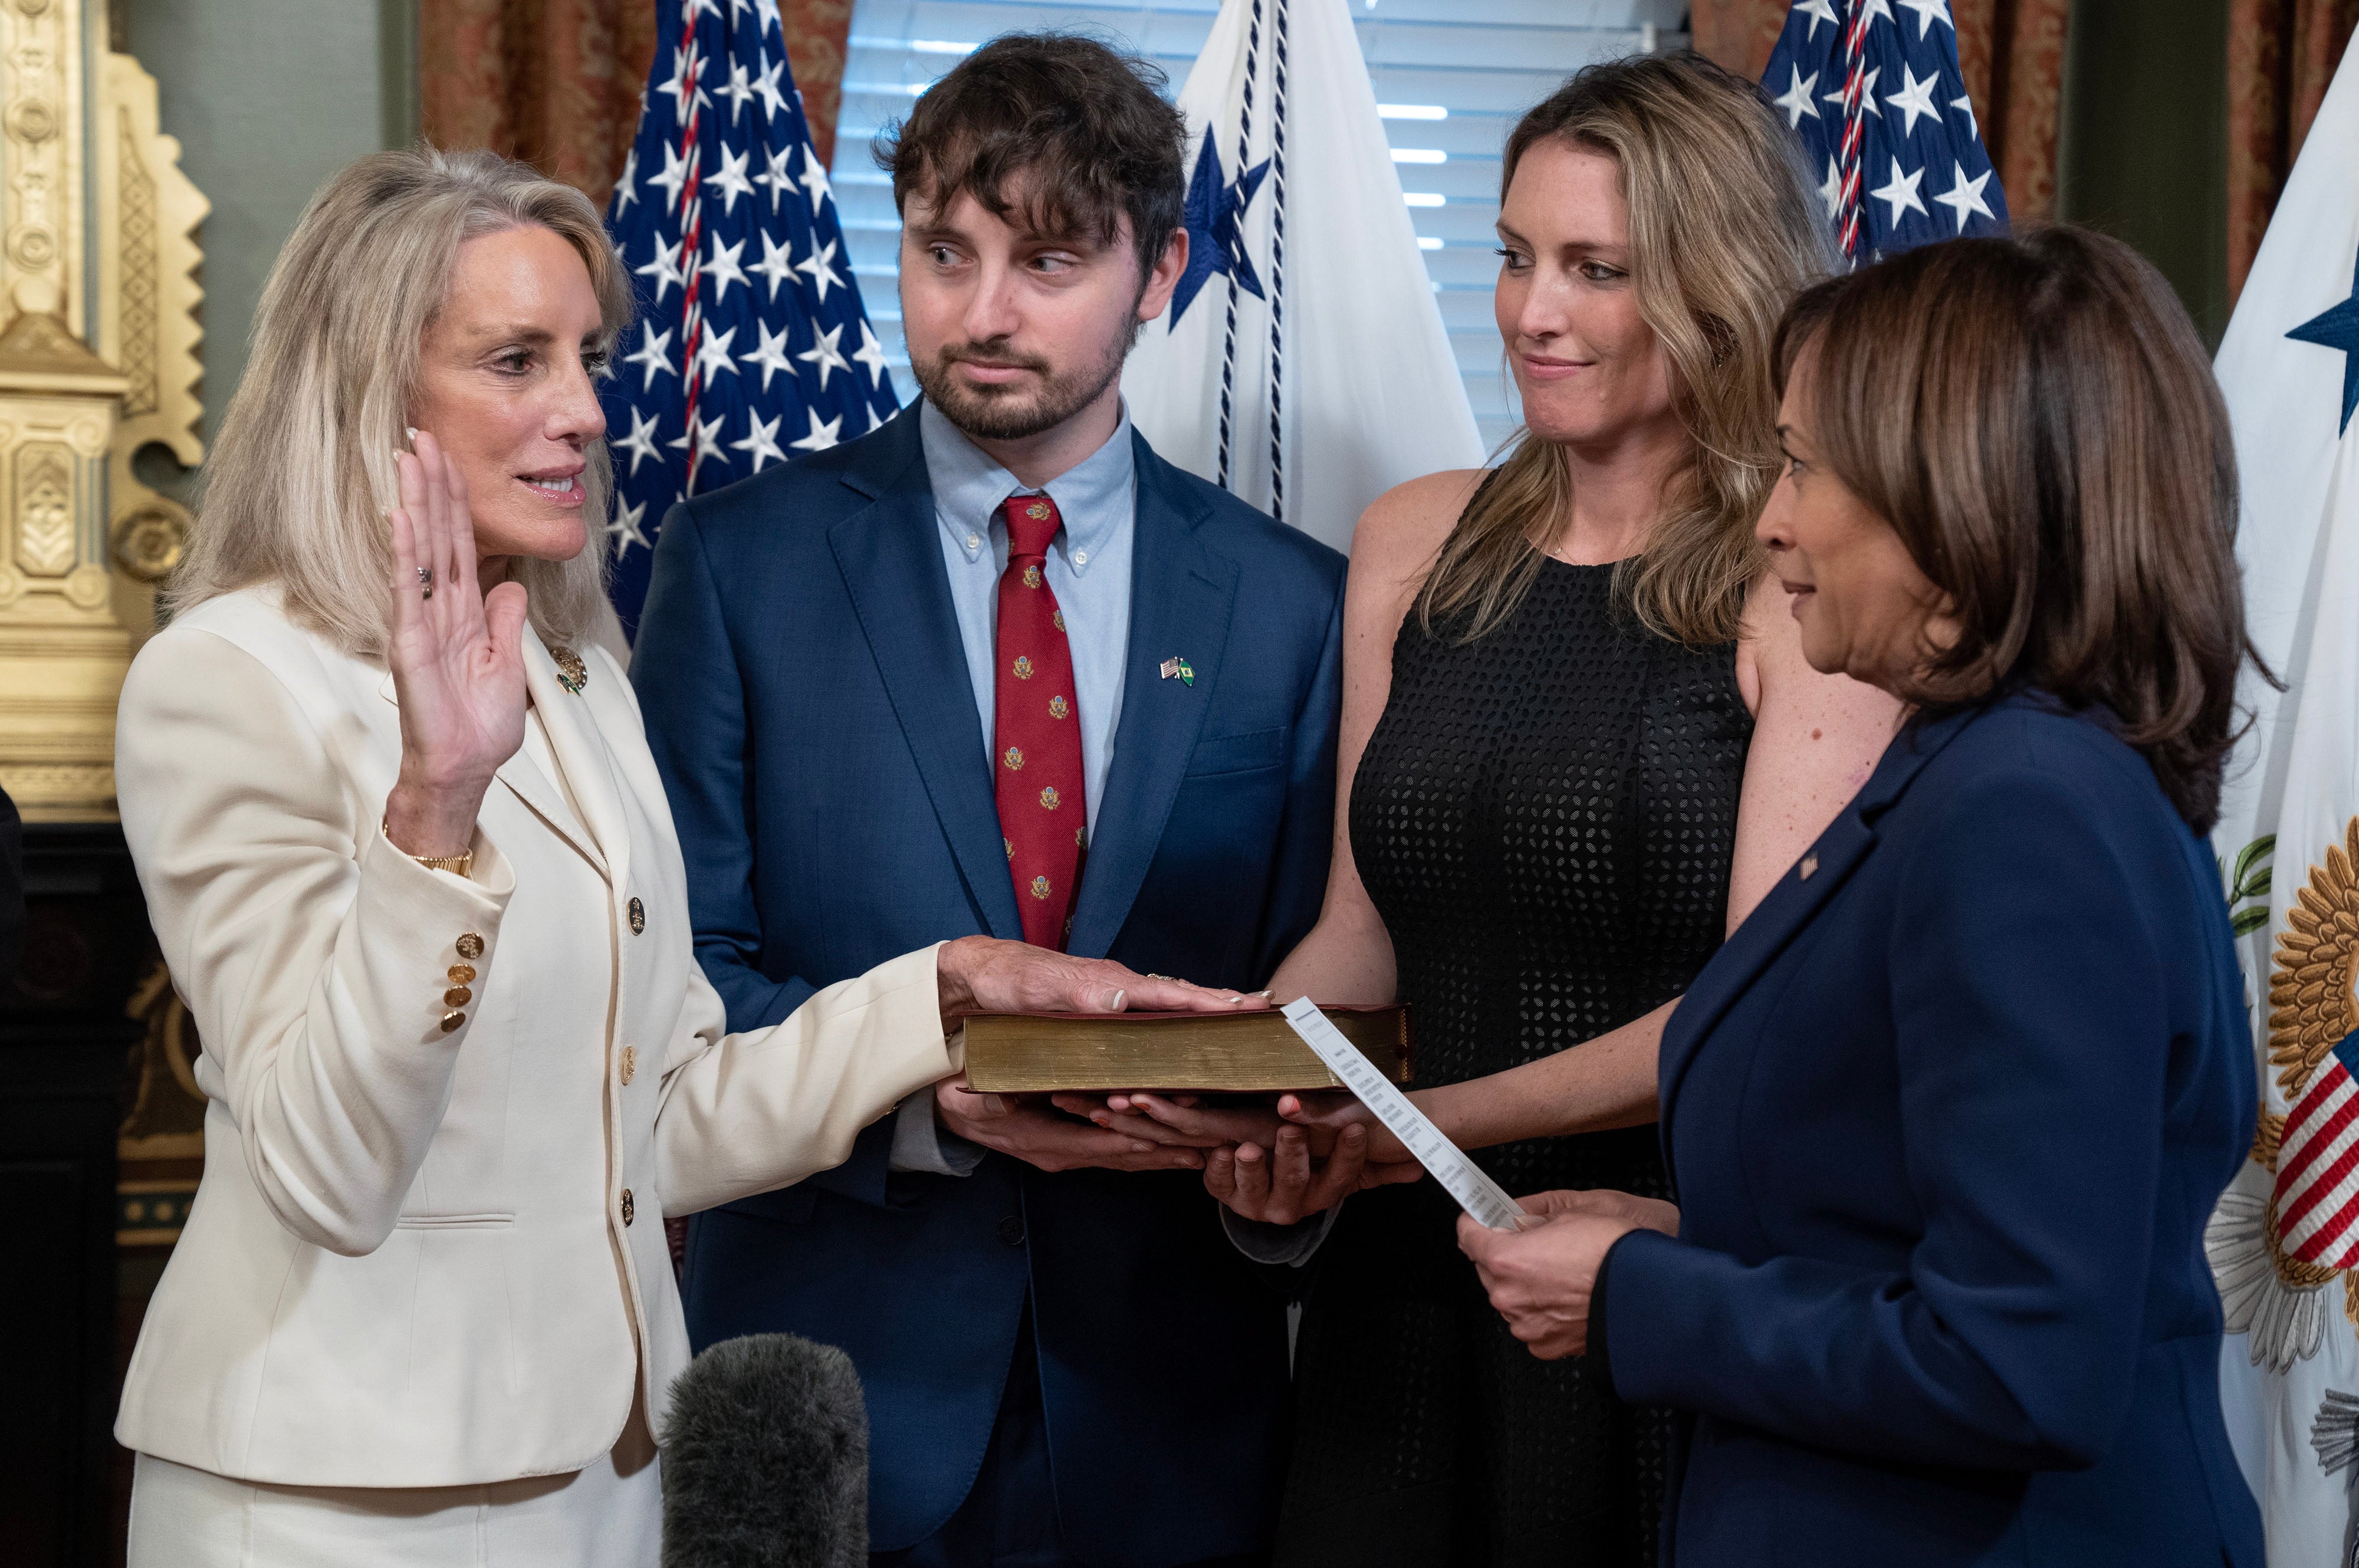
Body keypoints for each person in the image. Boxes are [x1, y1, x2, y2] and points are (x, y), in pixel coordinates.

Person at [108, 146, 1240, 1567]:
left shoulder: (577, 670)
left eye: (586, 355)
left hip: (608, 1482)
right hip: (335, 1501)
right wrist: (436, 815)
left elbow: (661, 1110)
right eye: (516, 360)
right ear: (363, 398)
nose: (586, 411)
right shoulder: (225, 681)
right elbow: (328, 1173)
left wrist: (941, 993)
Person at [1104, 52, 1901, 1566]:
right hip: (1402, 1301)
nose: (1532, 311)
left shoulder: (1801, 582)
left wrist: (1402, 1129)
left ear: (1720, 287)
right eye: (1514, 256)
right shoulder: (1412, 543)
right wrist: (1202, 1086)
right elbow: (1354, 951)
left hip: (1658, 1286)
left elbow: (1754, 1020)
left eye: (1596, 270)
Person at [628, 34, 1344, 1568]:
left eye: (1051, 258)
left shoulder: (1295, 608)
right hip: (827, 1408)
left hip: (1168, 1424)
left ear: (1160, 272)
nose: (984, 312)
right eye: (945, 252)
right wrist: (924, 1110)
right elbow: (675, 990)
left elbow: (1301, 1009)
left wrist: (1283, 1189)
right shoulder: (741, 567)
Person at [1459, 228, 2268, 1565]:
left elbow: (2015, 1360)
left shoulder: (2024, 807)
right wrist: (1684, 1241)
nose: (1770, 517)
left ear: (1956, 498)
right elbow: (1917, 1214)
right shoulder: (1986, 767)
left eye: (1804, 465)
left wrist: (1641, 1299)